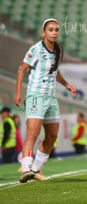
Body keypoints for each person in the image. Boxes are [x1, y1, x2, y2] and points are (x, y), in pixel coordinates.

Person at [14, 18, 77, 183]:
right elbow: (22, 71)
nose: (54, 32)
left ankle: (35, 170)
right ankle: (26, 168)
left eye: (56, 30)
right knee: (33, 133)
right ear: (43, 32)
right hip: (36, 96)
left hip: (51, 98)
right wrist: (18, 93)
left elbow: (55, 71)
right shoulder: (35, 49)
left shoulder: (57, 50)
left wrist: (67, 84)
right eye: (51, 30)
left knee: (52, 136)